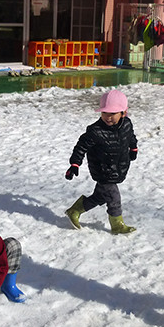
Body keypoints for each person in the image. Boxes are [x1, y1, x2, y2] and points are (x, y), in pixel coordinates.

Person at [64, 89, 138, 234]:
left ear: (123, 113)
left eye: (112, 113)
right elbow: (81, 146)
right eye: (104, 113)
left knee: (100, 196)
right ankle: (117, 225)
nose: (108, 117)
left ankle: (75, 210)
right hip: (103, 170)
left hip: (118, 167)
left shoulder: (127, 124)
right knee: (113, 197)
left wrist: (133, 148)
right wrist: (74, 164)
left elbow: (130, 136)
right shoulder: (95, 131)